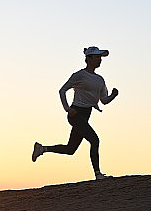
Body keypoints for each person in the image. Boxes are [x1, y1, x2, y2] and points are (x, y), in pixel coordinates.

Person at [31, 46, 119, 180]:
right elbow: (62, 91)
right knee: (94, 140)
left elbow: (104, 100)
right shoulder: (79, 75)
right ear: (88, 59)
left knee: (70, 149)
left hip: (86, 114)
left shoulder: (100, 79)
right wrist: (67, 109)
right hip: (76, 114)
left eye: (100, 57)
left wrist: (113, 95)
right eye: (97, 57)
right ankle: (98, 174)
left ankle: (42, 149)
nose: (99, 60)